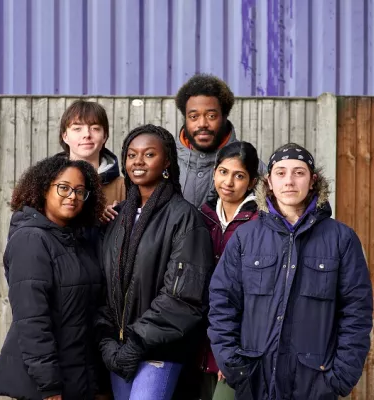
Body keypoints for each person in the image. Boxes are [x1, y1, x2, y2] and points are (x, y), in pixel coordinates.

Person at [208, 143, 373, 399]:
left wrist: (339, 378)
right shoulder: (245, 238)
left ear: (312, 180)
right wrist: (234, 366)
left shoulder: (342, 239)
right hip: (253, 379)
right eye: (281, 173)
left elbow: (356, 313)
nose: (289, 181)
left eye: (299, 172)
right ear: (269, 182)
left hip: (314, 383)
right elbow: (222, 304)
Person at [95, 124, 214, 400]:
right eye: (132, 155)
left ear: (167, 161)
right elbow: (103, 284)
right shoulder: (117, 218)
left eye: (149, 154)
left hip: (159, 352)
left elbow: (185, 296)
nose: (138, 161)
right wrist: (107, 340)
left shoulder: (184, 217)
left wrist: (137, 342)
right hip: (118, 351)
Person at [0, 156, 109, 400]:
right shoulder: (31, 240)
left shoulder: (78, 240)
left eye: (80, 190)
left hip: (79, 378)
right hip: (44, 386)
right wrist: (49, 386)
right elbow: (32, 320)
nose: (72, 196)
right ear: (44, 189)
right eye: (63, 187)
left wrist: (96, 383)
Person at [198, 141, 260, 400]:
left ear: (253, 181)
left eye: (239, 175)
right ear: (214, 172)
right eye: (223, 172)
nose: (228, 182)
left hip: (235, 344)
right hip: (198, 341)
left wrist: (231, 353)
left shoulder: (260, 222)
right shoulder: (201, 216)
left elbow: (257, 295)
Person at [175, 73, 266, 208]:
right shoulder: (165, 162)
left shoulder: (253, 166)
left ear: (224, 116)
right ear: (185, 118)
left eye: (211, 116)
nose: (202, 124)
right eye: (194, 116)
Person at [58, 99, 125, 208]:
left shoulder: (123, 187)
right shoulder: (47, 182)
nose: (87, 134)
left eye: (95, 128)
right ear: (65, 136)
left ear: (105, 136)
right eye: (77, 128)